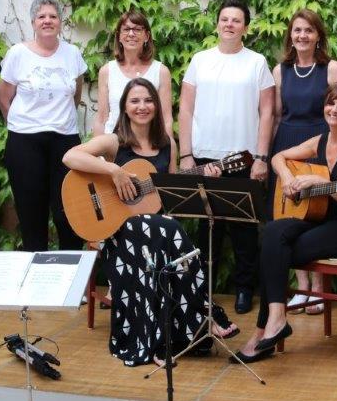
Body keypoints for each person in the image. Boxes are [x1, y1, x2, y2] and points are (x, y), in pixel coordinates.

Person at [62, 78, 238, 365]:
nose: (142, 106)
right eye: (135, 101)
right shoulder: (114, 141)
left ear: (156, 106)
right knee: (164, 229)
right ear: (125, 107)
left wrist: (206, 178)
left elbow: (171, 195)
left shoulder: (168, 144)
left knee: (164, 227)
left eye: (147, 100)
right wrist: (113, 171)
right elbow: (69, 157)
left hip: (156, 231)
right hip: (118, 232)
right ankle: (200, 316)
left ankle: (180, 330)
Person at [234, 82, 337, 363]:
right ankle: (276, 317)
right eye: (330, 103)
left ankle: (262, 331)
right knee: (273, 231)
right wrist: (287, 178)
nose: (334, 109)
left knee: (274, 252)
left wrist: (322, 183)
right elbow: (278, 157)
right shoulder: (320, 140)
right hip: (318, 219)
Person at [179, 0, 275, 314]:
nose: (229, 24)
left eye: (236, 20)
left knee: (244, 229)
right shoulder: (200, 60)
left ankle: (244, 289)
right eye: (225, 19)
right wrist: (186, 154)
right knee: (207, 229)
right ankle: (203, 291)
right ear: (217, 24)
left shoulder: (257, 62)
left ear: (245, 27)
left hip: (243, 158)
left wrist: (261, 157)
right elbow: (185, 109)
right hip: (203, 157)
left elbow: (267, 112)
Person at [269, 9, 337, 315]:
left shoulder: (331, 68)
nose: (302, 35)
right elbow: (276, 115)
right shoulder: (280, 70)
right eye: (297, 30)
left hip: (319, 143)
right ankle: (301, 289)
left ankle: (319, 289)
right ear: (291, 35)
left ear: (318, 36)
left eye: (309, 30)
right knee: (291, 213)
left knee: (317, 214)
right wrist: (270, 154)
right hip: (287, 143)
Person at [0, 0, 86, 251]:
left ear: (60, 22)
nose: (47, 20)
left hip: (66, 142)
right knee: (31, 215)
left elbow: (75, 95)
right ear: (33, 23)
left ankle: (72, 272)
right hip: (25, 143)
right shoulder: (17, 53)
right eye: (41, 16)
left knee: (68, 213)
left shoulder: (73, 54)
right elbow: (4, 98)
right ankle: (36, 272)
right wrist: (25, 124)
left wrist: (57, 119)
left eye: (53, 16)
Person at [91, 10, 173, 138]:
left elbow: (166, 120)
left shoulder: (161, 72)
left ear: (147, 36)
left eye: (137, 29)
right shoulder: (107, 71)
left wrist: (167, 148)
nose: (131, 34)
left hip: (149, 144)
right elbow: (101, 119)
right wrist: (98, 148)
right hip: (114, 143)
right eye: (126, 29)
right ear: (119, 36)